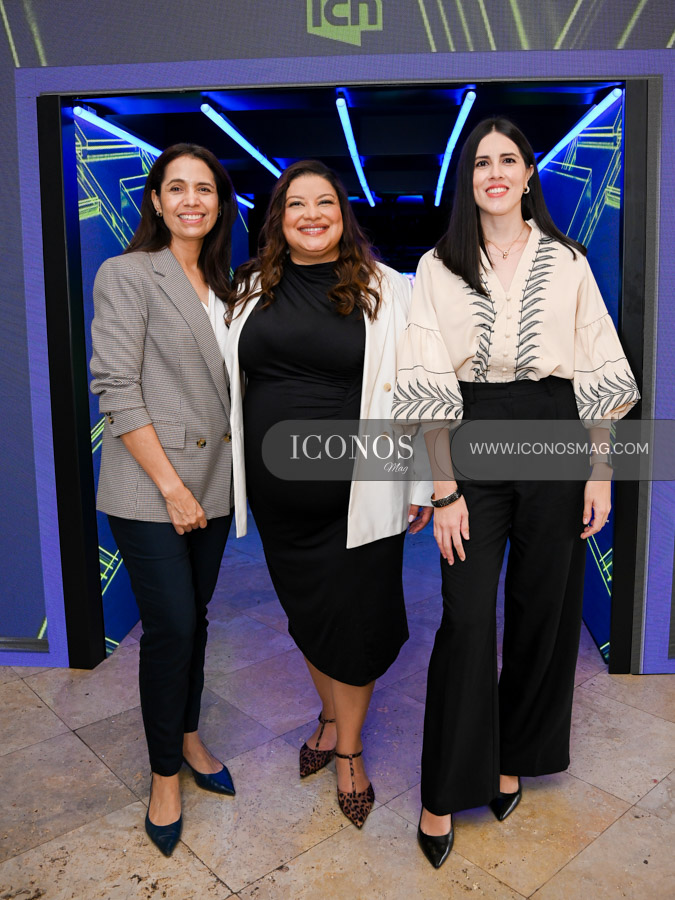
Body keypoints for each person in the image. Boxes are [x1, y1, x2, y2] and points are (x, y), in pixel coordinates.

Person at [392, 117, 640, 868]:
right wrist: (444, 491)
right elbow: (426, 376)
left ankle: (513, 756)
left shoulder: (568, 260)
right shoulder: (437, 265)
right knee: (466, 617)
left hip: (555, 428)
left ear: (529, 173)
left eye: (507, 159)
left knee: (544, 610)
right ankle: (442, 790)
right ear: (466, 179)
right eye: (480, 162)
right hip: (470, 431)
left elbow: (596, 364)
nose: (494, 172)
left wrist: (600, 471)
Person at [225, 159, 432, 828]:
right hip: (278, 500)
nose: (311, 215)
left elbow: (418, 385)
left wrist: (419, 480)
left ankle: (348, 749)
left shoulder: (387, 288)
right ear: (278, 219)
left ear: (343, 216)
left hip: (360, 492)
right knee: (308, 615)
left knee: (359, 623)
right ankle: (329, 715)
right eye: (296, 204)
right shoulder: (248, 288)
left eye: (324, 203)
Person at [90, 143, 239, 857]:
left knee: (195, 619)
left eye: (203, 189)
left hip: (216, 482)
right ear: (155, 200)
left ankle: (188, 734)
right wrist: (173, 489)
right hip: (152, 487)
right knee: (172, 625)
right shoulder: (127, 273)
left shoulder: (230, 284)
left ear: (219, 202)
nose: (190, 201)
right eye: (176, 188)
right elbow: (116, 388)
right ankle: (162, 775)